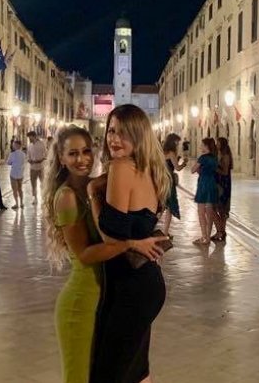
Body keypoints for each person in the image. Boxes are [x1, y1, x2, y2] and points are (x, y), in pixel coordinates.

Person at [44, 125, 165, 383]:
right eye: (73, 154)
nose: (82, 159)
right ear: (61, 158)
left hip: (106, 297)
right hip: (81, 302)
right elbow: (85, 255)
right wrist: (133, 244)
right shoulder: (66, 196)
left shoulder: (96, 187)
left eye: (86, 151)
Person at [87, 104, 171, 383]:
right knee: (137, 372)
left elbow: (110, 236)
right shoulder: (148, 169)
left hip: (131, 288)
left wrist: (92, 194)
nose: (114, 139)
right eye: (111, 131)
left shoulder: (122, 167)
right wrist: (135, 242)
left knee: (108, 375)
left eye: (123, 133)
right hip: (144, 284)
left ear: (138, 136)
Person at [191, 138, 219, 246]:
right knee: (209, 213)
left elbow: (193, 170)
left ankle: (204, 237)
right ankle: (208, 236)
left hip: (203, 185)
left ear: (206, 146)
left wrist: (198, 166)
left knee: (201, 212)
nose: (200, 146)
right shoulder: (214, 157)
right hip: (212, 184)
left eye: (202, 145)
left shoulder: (203, 158)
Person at [161, 133, 186, 236]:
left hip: (162, 179)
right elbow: (177, 168)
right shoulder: (171, 153)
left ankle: (161, 231)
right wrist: (184, 163)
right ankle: (165, 232)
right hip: (169, 179)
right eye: (177, 142)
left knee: (162, 205)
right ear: (173, 142)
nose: (178, 144)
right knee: (170, 207)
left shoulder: (162, 152)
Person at [213, 137, 233, 243]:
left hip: (223, 184)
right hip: (218, 183)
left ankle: (221, 231)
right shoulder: (218, 154)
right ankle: (220, 231)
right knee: (217, 208)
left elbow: (225, 172)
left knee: (222, 209)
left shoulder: (225, 156)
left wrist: (214, 168)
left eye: (218, 143)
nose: (216, 144)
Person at [26, 131, 47, 204]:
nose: (29, 139)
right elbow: (28, 155)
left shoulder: (41, 144)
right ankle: (35, 198)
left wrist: (41, 159)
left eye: (30, 137)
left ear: (34, 136)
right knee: (33, 184)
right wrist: (29, 160)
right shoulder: (30, 146)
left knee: (43, 183)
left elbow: (45, 154)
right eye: (29, 138)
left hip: (41, 167)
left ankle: (44, 197)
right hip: (32, 168)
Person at [7, 140, 26, 209]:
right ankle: (21, 203)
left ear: (17, 145)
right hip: (20, 174)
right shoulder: (23, 154)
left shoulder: (12, 154)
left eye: (14, 145)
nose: (13, 146)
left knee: (14, 190)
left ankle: (16, 203)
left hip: (13, 174)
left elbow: (8, 162)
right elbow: (23, 162)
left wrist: (13, 162)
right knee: (20, 189)